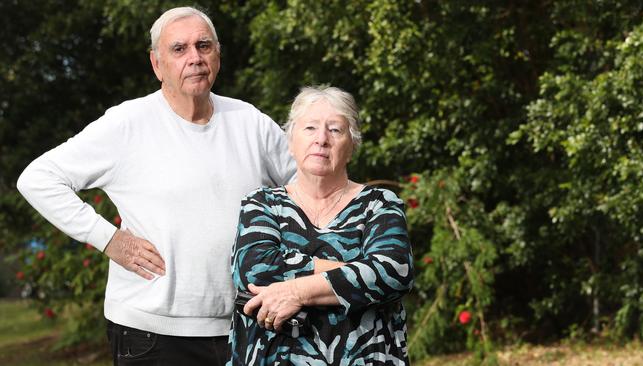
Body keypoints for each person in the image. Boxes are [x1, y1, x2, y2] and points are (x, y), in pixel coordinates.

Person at [16, 6, 295, 365]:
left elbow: (307, 191)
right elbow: (38, 179)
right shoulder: (127, 123)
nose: (194, 58)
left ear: (218, 55)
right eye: (179, 49)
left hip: (246, 325)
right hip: (150, 334)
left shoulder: (250, 122)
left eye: (204, 46)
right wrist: (109, 239)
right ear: (156, 64)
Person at [229, 86, 414, 365]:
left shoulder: (379, 204)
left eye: (335, 130)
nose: (322, 140)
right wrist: (353, 271)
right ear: (290, 142)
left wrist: (296, 291)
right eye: (310, 128)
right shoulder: (262, 203)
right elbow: (255, 269)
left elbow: (393, 271)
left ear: (352, 146)